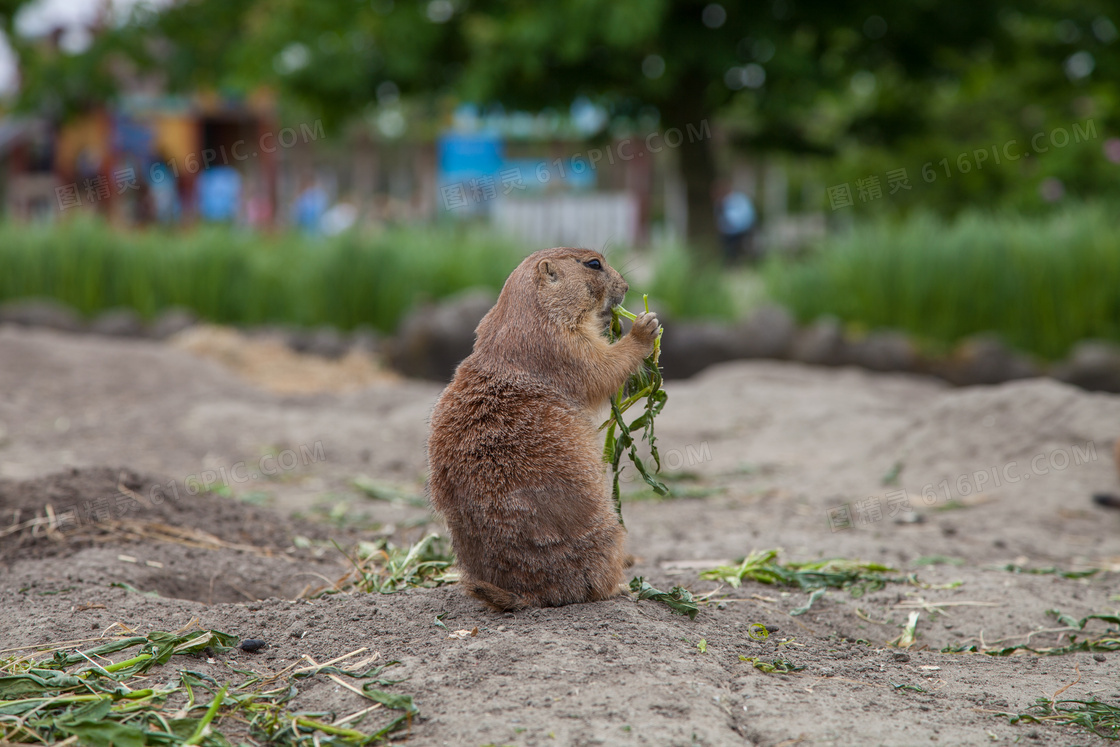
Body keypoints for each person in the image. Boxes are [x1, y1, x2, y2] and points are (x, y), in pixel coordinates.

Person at [714, 181, 757, 264]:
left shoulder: (738, 200)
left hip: (740, 232)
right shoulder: (719, 202)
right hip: (726, 233)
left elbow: (743, 218)